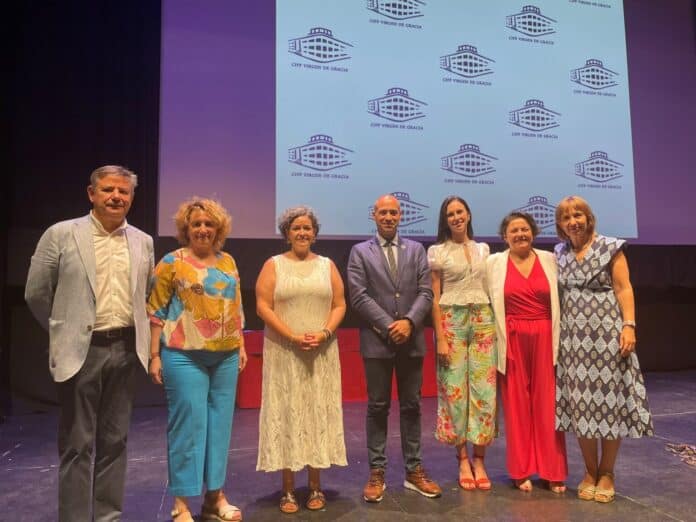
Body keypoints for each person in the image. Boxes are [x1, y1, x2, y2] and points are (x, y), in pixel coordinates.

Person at [25, 165, 154, 521]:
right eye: (108, 189)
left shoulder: (143, 241)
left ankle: (108, 517)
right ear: (91, 193)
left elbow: (146, 293)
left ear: (131, 197)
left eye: (123, 191)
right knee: (77, 444)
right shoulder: (61, 234)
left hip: (126, 350)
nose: (116, 197)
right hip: (82, 352)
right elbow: (36, 293)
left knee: (115, 442)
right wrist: (63, 330)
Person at [147, 198, 247, 522]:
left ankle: (215, 497)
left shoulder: (228, 261)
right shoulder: (171, 262)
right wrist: (154, 355)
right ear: (186, 229)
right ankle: (181, 503)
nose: (203, 229)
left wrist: (241, 345)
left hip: (226, 355)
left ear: (218, 229)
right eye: (196, 224)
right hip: (183, 354)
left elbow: (235, 307)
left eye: (209, 224)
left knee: (220, 428)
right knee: (188, 427)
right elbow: (156, 311)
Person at [554, 196, 653, 503]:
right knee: (581, 404)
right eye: (566, 217)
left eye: (578, 215)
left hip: (607, 336)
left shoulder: (611, 247)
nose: (573, 222)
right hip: (573, 340)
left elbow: (624, 288)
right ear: (560, 224)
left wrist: (629, 325)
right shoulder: (559, 252)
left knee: (610, 403)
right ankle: (589, 470)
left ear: (589, 218)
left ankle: (607, 472)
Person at [347, 194, 441, 502]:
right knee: (377, 407)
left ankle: (414, 471)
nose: (388, 217)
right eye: (383, 212)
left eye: (393, 212)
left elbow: (426, 293)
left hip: (412, 340)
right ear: (373, 215)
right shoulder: (359, 252)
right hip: (377, 341)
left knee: (412, 406)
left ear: (401, 216)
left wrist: (409, 323)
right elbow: (359, 296)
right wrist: (391, 325)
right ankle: (377, 472)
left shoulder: (416, 249)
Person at [255, 206, 347, 514]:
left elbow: (339, 304)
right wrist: (292, 336)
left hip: (321, 351)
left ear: (315, 234)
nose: (302, 232)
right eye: (296, 228)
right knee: (288, 413)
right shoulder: (273, 265)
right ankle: (288, 489)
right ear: (287, 233)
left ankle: (316, 486)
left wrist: (324, 333)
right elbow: (263, 306)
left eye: (307, 228)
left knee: (316, 413)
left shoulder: (327, 265)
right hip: (284, 352)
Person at [486, 212, 567, 493]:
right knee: (517, 406)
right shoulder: (493, 263)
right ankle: (520, 470)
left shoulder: (551, 259)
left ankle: (552, 470)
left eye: (524, 229)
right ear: (505, 236)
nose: (520, 234)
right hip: (512, 338)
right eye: (514, 230)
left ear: (533, 232)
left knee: (547, 405)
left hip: (545, 336)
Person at [427, 196, 496, 491]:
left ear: (468, 214)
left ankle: (480, 459)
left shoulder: (484, 249)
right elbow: (434, 296)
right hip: (451, 321)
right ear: (445, 220)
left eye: (460, 212)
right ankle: (463, 459)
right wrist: (440, 337)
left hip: (483, 319)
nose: (456, 217)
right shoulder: (437, 251)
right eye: (450, 214)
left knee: (485, 390)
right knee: (454, 391)